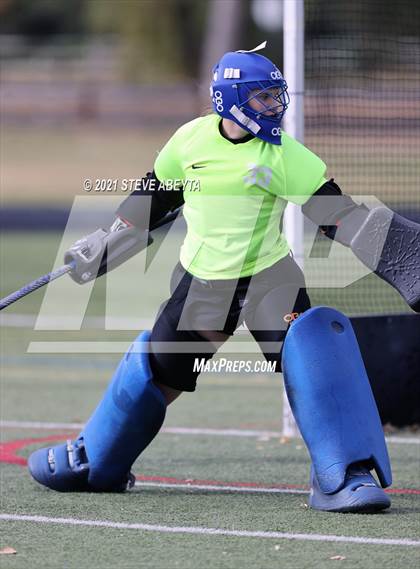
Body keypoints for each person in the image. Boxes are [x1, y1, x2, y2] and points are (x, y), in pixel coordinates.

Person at [28, 44, 420, 513]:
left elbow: (339, 215)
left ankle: (346, 474)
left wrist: (405, 256)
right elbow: (153, 202)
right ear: (228, 100)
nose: (275, 107)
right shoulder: (189, 142)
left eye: (277, 97)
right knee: (160, 371)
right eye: (263, 99)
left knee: (313, 350)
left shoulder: (283, 156)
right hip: (204, 282)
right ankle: (97, 459)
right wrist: (105, 244)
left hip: (269, 281)